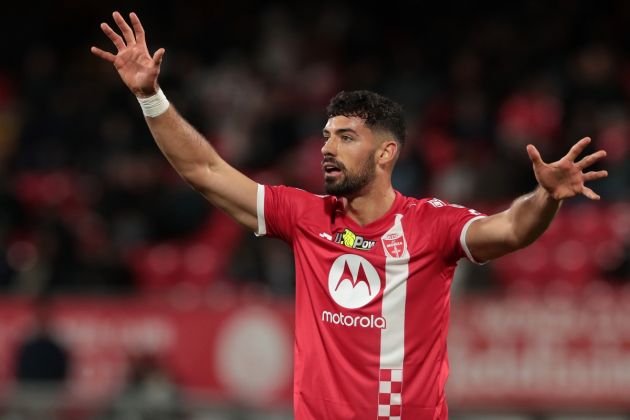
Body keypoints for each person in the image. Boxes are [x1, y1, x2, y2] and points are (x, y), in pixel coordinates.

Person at [91, 11, 608, 420]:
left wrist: (546, 198)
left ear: (385, 154)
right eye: (325, 136)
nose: (326, 149)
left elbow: (513, 228)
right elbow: (205, 169)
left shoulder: (431, 224)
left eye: (345, 137)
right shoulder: (305, 215)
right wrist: (149, 96)